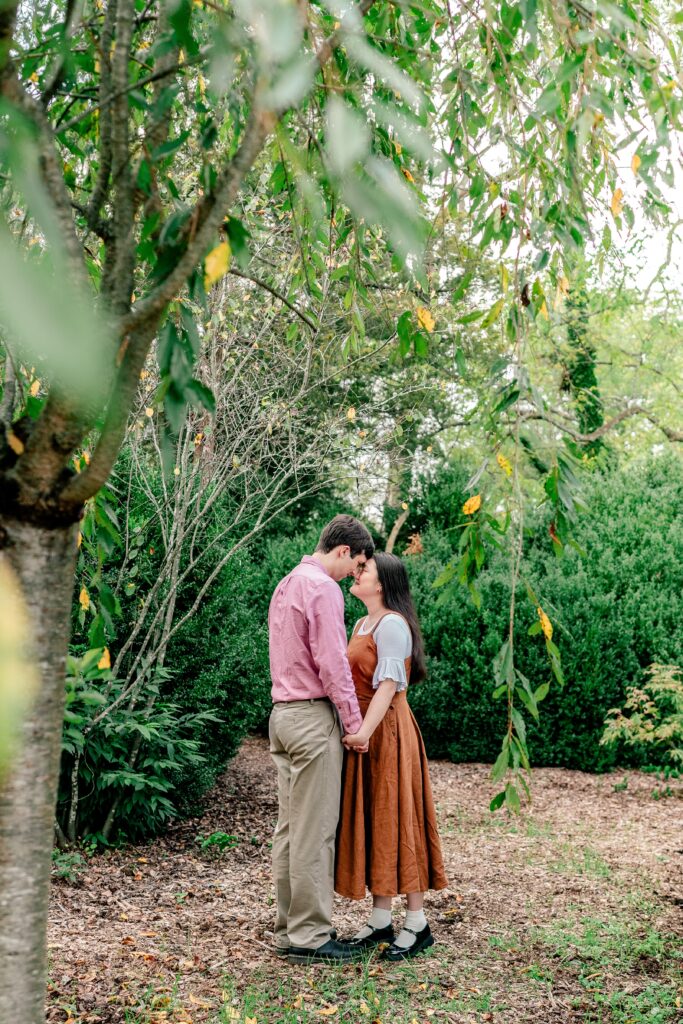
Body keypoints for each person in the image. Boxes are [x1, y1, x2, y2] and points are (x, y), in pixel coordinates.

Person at [268, 514, 374, 964]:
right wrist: (354, 725)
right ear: (344, 551)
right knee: (315, 829)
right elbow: (332, 664)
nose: (354, 574)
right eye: (357, 565)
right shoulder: (324, 589)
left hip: (282, 715)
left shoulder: (287, 583)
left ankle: (288, 928)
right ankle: (311, 935)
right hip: (313, 720)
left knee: (290, 829)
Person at [335, 552, 448, 960]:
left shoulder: (393, 625)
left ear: (381, 584)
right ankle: (381, 920)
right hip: (368, 734)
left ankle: (417, 923)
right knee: (378, 821)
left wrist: (363, 732)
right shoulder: (362, 623)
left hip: (389, 734)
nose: (357, 572)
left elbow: (386, 686)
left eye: (364, 570)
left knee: (401, 819)